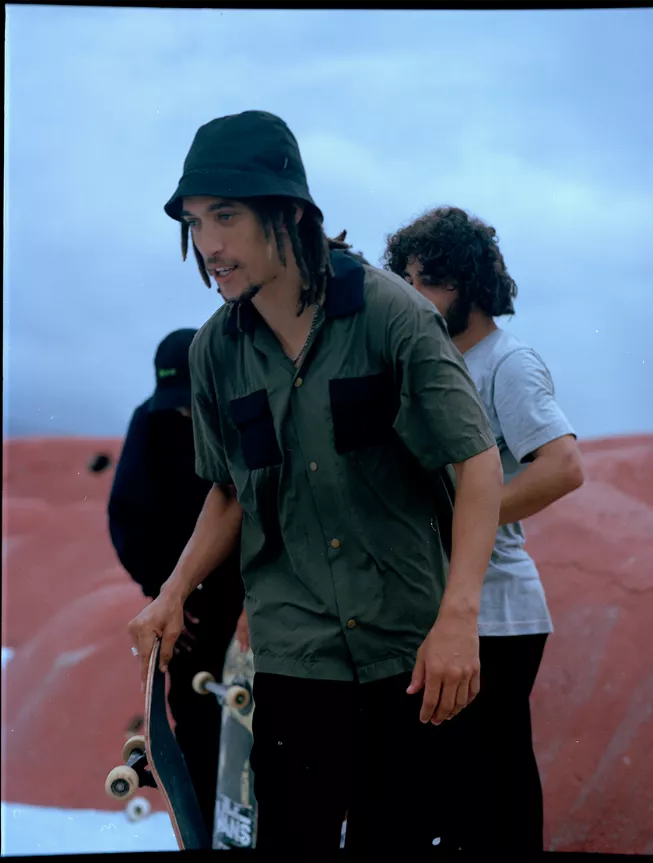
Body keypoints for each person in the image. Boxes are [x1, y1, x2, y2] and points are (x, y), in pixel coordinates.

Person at [127, 110, 504, 856]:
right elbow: (231, 489)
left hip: (409, 650)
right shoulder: (215, 353)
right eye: (197, 222)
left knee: (394, 842)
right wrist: (173, 591)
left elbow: (478, 459)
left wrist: (459, 615)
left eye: (226, 217)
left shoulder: (390, 314)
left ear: (289, 211)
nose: (208, 246)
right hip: (294, 655)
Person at [383, 205, 585, 855]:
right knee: (448, 794)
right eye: (404, 280)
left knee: (489, 799)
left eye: (425, 280)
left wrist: (465, 519)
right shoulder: (429, 363)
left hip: (497, 615)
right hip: (440, 610)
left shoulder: (507, 362)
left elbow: (563, 466)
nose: (412, 295)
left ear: (465, 283)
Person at [108, 328, 244, 841]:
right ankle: (207, 826)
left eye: (190, 404)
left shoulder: (243, 412)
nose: (184, 415)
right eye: (176, 406)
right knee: (197, 723)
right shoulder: (149, 422)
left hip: (255, 589)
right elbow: (125, 517)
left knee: (258, 727)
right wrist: (165, 594)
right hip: (185, 602)